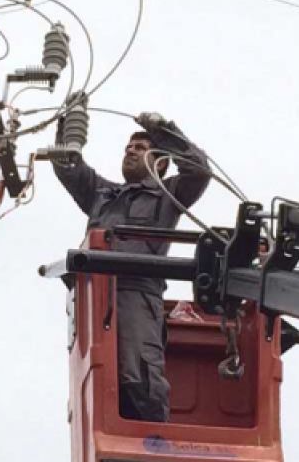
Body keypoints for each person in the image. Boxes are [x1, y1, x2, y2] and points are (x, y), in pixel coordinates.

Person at [52, 111, 211, 422]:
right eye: (129, 146)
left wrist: (163, 131)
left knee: (138, 375)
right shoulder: (102, 194)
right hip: (93, 298)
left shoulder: (167, 195)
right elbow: (69, 167)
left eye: (141, 147)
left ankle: (154, 443)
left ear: (160, 163)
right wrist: (70, 124)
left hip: (136, 296)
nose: (131, 150)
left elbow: (199, 171)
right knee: (100, 380)